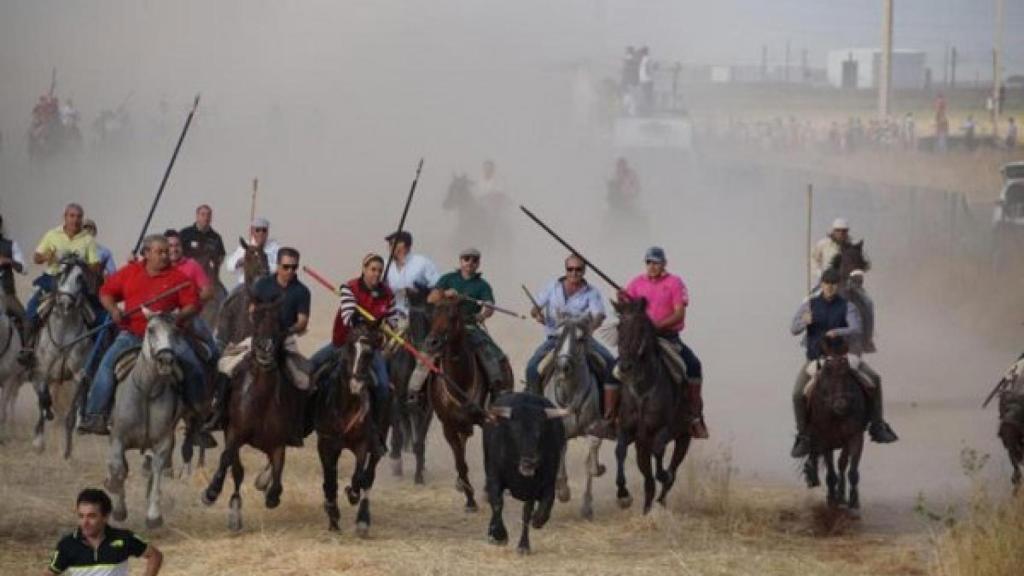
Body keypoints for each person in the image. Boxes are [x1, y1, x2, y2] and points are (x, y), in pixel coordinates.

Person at [77, 235, 210, 450]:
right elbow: (106, 292)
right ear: (146, 253)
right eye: (160, 252)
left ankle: (197, 425)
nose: (166, 256)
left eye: (167, 251)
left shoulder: (178, 277)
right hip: (132, 334)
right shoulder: (130, 272)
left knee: (194, 369)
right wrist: (113, 311)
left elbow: (193, 304)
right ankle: (95, 415)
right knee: (106, 365)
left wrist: (178, 317)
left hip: (167, 336)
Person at [789, 268, 898, 458]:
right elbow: (793, 329)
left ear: (837, 286)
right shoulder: (809, 305)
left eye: (833, 285)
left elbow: (856, 328)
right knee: (797, 393)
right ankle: (803, 436)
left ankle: (878, 425)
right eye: (826, 284)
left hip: (843, 357)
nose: (829, 288)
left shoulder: (848, 306)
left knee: (875, 379)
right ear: (821, 284)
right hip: (817, 358)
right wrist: (804, 322)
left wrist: (838, 332)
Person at [209, 248, 310, 441]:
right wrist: (260, 326)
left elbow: (302, 321)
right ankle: (217, 413)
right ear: (278, 266)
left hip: (284, 339)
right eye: (286, 266)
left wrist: (285, 331)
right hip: (258, 338)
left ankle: (295, 426)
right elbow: (251, 309)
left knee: (303, 379)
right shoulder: (263, 285)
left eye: (294, 267)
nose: (290, 271)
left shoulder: (301, 291)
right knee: (225, 365)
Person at [312, 253, 396, 454]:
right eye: (372, 269)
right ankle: (304, 422)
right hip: (342, 344)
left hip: (369, 350)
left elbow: (393, 321)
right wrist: (370, 320)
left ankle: (377, 434)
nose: (376, 274)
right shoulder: (349, 288)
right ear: (364, 269)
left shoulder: (388, 294)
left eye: (379, 270)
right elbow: (350, 318)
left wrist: (390, 327)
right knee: (309, 369)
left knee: (384, 387)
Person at [621, 246, 708, 439]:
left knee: (693, 365)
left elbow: (679, 313)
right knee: (617, 367)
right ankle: (612, 417)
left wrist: (657, 326)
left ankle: (694, 416)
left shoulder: (674, 283)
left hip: (668, 338)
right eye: (649, 262)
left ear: (664, 264)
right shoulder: (636, 283)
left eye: (656, 262)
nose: (652, 266)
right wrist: (622, 298)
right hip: (642, 339)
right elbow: (627, 308)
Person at [525, 254, 618, 421]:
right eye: (570, 269)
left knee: (610, 364)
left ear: (584, 271)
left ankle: (608, 415)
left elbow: (599, 315)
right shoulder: (552, 287)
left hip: (582, 340)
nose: (574, 273)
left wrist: (590, 328)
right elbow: (535, 308)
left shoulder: (592, 292)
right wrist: (537, 314)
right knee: (532, 368)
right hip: (555, 339)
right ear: (565, 270)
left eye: (578, 269)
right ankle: (535, 413)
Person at [20, 203, 100, 365]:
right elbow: (36, 257)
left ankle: (95, 353)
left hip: (77, 283)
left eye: (78, 217)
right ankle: (27, 349)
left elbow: (95, 266)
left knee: (97, 316)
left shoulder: (88, 239)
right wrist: (46, 256)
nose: (75, 220)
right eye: (72, 216)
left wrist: (83, 264)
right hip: (52, 280)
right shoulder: (52, 234)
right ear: (65, 217)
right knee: (31, 310)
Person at [428, 247, 512, 390]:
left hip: (469, 326)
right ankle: (416, 392)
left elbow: (489, 307)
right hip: (444, 327)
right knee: (427, 351)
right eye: (466, 259)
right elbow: (431, 299)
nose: (470, 262)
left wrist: (482, 315)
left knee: (490, 352)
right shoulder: (448, 278)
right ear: (460, 261)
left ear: (478, 263)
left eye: (475, 260)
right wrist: (445, 293)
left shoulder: (483, 285)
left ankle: (497, 385)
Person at [46, 488, 163, 576]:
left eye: (91, 516)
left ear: (105, 517)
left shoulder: (124, 538)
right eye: (81, 516)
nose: (85, 522)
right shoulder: (67, 545)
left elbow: (155, 555)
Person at [165, 229, 218, 357]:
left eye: (177, 245)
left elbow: (208, 291)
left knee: (212, 346)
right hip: (164, 317)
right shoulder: (159, 267)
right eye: (170, 246)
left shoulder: (192, 265)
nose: (174, 249)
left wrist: (192, 303)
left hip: (190, 318)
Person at [384, 230, 440, 316]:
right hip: (390, 315)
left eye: (393, 243)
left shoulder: (421, 262)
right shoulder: (385, 264)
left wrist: (423, 294)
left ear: (405, 246)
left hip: (416, 313)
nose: (390, 247)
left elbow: (437, 285)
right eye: (390, 244)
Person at [223, 217, 279, 287]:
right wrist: (240, 262)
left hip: (268, 285)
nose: (261, 233)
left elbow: (278, 268)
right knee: (230, 296)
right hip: (245, 284)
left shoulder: (274, 247)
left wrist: (260, 264)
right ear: (252, 231)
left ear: (267, 232)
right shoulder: (244, 246)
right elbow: (229, 265)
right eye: (257, 230)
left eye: (264, 230)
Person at [179, 204, 226, 283]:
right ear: (197, 216)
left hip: (207, 280)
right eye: (203, 214)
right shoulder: (185, 234)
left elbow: (221, 256)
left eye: (208, 215)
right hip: (187, 277)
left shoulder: (216, 237)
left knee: (224, 295)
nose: (206, 218)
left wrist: (214, 268)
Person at [0, 213, 27, 330]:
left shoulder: (10, 245)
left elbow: (24, 269)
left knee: (27, 319)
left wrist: (9, 261)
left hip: (7, 296)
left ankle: (27, 348)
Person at [810, 218, 856, 284]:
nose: (841, 233)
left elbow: (862, 264)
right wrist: (819, 272)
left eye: (844, 231)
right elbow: (813, 259)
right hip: (827, 280)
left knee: (862, 294)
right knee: (814, 294)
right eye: (838, 230)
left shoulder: (853, 245)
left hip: (847, 281)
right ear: (833, 231)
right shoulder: (823, 243)